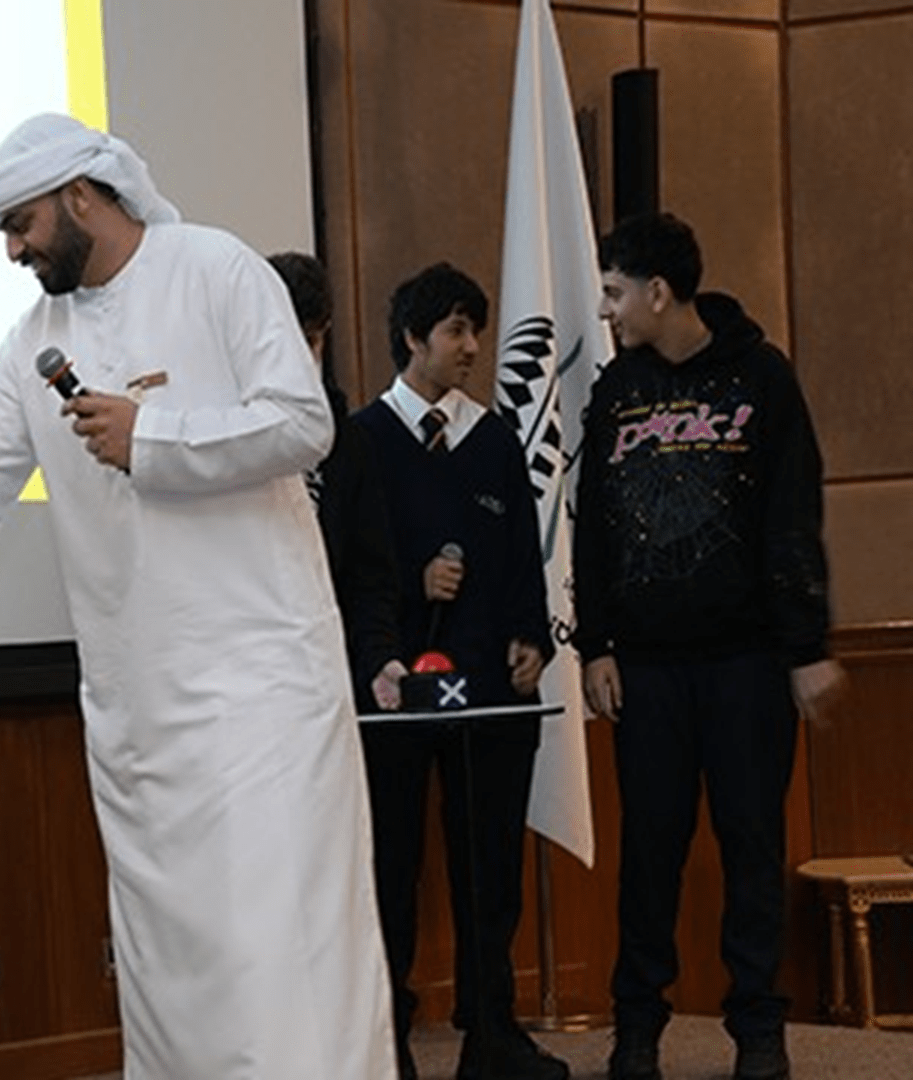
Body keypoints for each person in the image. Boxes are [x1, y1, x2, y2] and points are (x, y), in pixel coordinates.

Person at [0, 114, 393, 1079]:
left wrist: (155, 436)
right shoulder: (32, 344)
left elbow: (305, 424)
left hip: (261, 691)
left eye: (21, 225)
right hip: (136, 711)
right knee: (169, 970)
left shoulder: (215, 269)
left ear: (84, 196)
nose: (14, 250)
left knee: (277, 953)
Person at [577, 213, 844, 1080]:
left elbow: (792, 517)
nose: (608, 309)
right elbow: (594, 530)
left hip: (748, 664)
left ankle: (759, 1032)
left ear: (659, 291)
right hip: (647, 668)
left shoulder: (763, 379)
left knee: (751, 846)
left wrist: (806, 645)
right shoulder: (617, 391)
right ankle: (639, 1030)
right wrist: (595, 643)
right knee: (648, 854)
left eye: (616, 292)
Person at [348, 263, 564, 1080]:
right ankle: (388, 1037)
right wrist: (413, 587)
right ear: (412, 338)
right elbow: (352, 565)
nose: (473, 347)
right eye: (456, 331)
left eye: (476, 328)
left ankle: (493, 1032)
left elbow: (522, 554)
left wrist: (530, 636)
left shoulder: (497, 438)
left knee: (490, 869)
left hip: (489, 690)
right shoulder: (364, 439)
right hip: (394, 691)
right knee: (391, 868)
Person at [268, 251, 405, 713]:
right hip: (250, 672)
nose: (304, 357)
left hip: (326, 673)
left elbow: (370, 573)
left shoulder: (347, 438)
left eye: (313, 340)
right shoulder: (221, 426)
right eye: (290, 340)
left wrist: (380, 657)